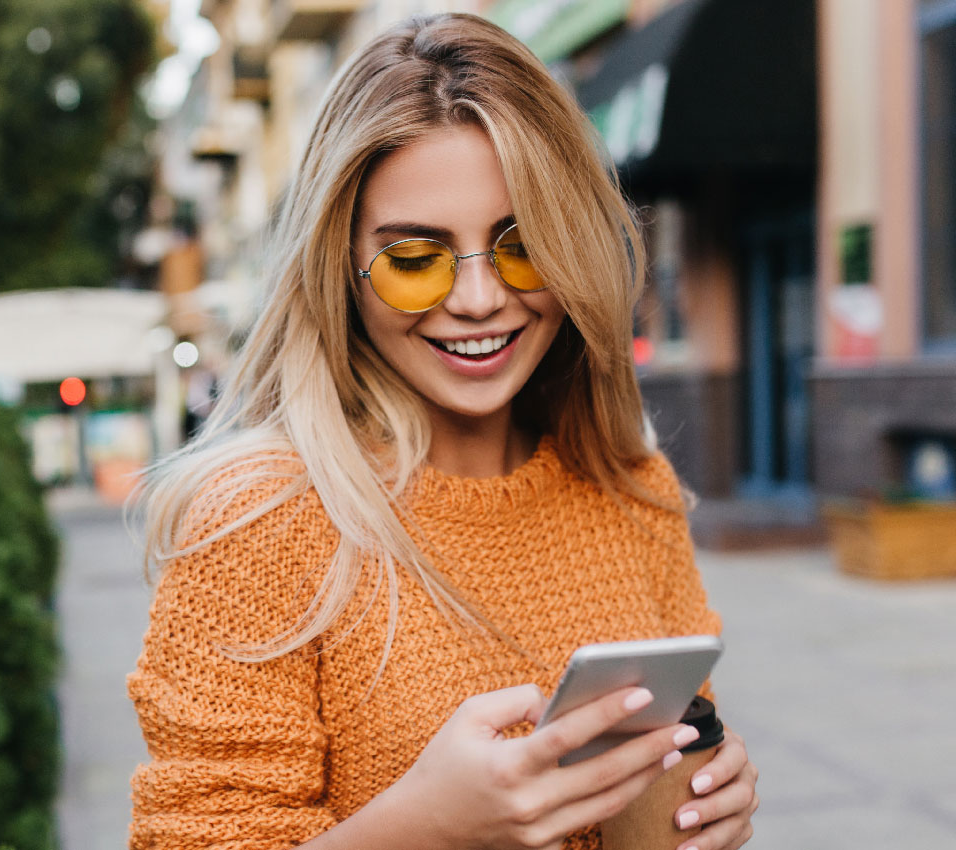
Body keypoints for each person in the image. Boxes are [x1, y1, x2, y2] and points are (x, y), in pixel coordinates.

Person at [127, 13, 759, 850]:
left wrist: (710, 796)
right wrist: (427, 828)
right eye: (415, 259)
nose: (477, 301)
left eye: (523, 246)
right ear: (339, 271)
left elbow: (672, 755)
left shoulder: (631, 491)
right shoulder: (258, 523)